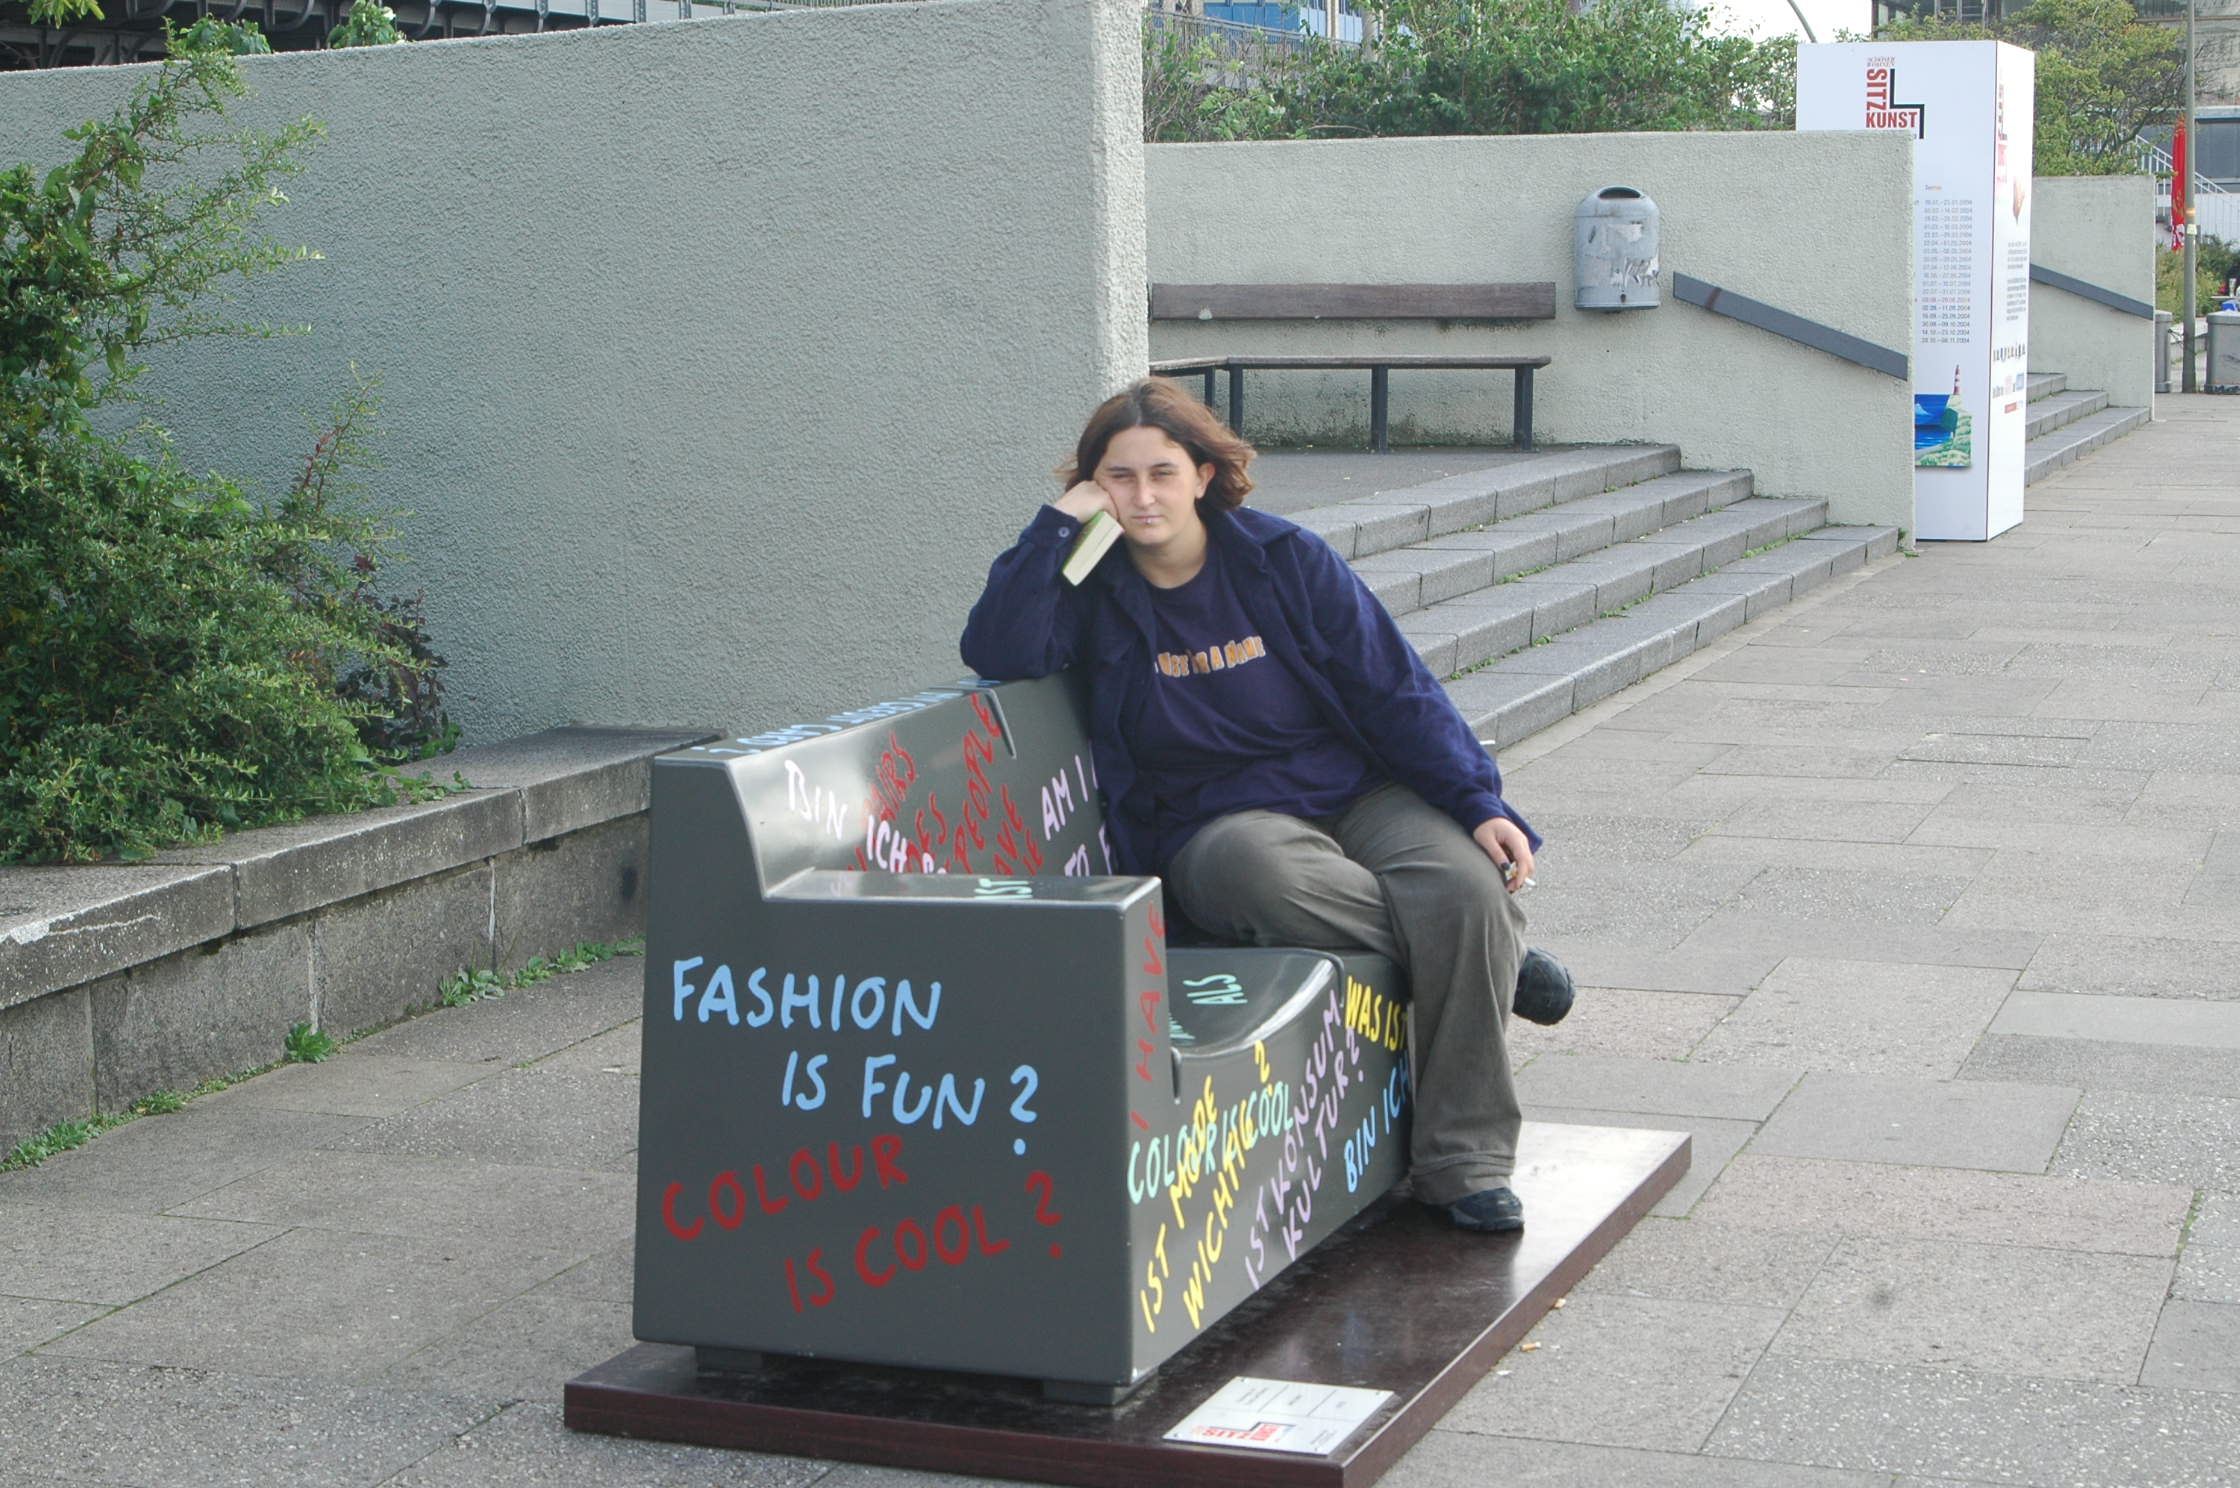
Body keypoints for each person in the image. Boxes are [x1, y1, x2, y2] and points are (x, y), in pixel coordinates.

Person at [959, 377, 1562, 1233]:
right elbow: (999, 649)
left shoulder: (1284, 561)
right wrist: (1060, 526)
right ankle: (1490, 955)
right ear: (1094, 486)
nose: (1142, 496)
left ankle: (1464, 1163)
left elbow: (1393, 688)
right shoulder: (1090, 587)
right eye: (1118, 477)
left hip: (1358, 795)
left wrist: (1475, 801)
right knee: (1269, 872)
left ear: (1203, 476)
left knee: (1467, 886)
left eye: (1163, 473)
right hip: (1215, 827)